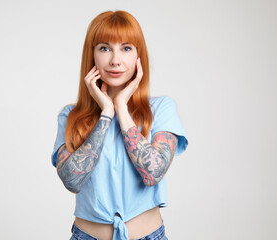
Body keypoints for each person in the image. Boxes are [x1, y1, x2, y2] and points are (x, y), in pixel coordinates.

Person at [51, 10, 188, 240]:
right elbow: (72, 181)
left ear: (138, 56)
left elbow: (152, 174)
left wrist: (122, 108)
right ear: (92, 55)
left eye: (126, 48)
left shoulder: (162, 108)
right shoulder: (71, 116)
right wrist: (106, 114)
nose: (115, 60)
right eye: (104, 48)